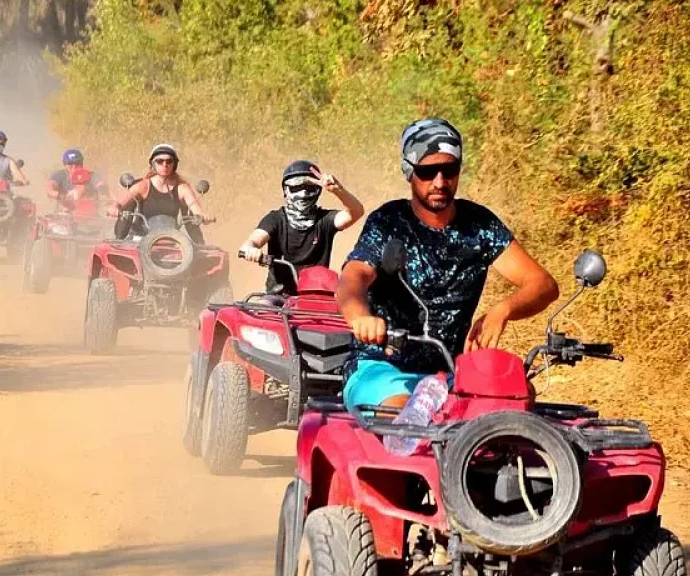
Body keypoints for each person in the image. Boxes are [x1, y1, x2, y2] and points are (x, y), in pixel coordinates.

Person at [337, 118, 559, 411]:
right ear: (409, 171)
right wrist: (360, 318)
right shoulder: (388, 222)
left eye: (449, 170)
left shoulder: (480, 226)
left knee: (516, 397)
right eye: (427, 172)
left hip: (451, 374)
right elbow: (353, 277)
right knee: (405, 414)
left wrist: (503, 310)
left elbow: (543, 284)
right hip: (382, 369)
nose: (440, 182)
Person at [239, 160, 364, 295]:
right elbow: (253, 241)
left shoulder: (325, 220)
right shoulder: (275, 219)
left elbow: (356, 212)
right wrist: (251, 250)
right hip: (279, 296)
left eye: (310, 188)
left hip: (318, 295)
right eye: (296, 188)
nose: (303, 194)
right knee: (264, 306)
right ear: (285, 190)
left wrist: (338, 190)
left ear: (318, 191)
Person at [106, 143, 214, 234]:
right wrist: (114, 208)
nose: (165, 164)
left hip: (172, 238)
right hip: (140, 238)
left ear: (174, 164)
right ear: (153, 164)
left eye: (169, 161)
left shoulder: (182, 188)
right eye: (160, 161)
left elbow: (196, 208)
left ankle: (199, 245)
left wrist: (204, 216)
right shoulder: (143, 186)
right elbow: (120, 203)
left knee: (196, 247)